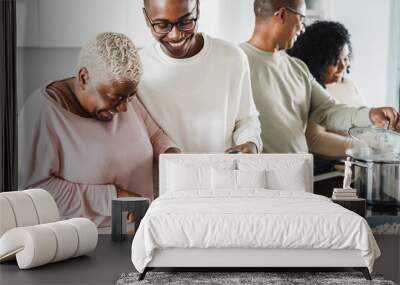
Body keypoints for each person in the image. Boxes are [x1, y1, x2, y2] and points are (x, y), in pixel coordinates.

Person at [18, 32, 179, 227]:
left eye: (130, 97)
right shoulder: (41, 113)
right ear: (84, 77)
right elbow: (37, 192)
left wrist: (175, 159)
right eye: (116, 98)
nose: (124, 108)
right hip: (88, 239)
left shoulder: (123, 93)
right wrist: (114, 197)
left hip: (142, 228)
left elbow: (155, 134)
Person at [240, 0, 400, 157]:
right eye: (301, 19)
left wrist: (371, 115)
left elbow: (329, 111)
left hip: (300, 175)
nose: (302, 29)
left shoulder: (298, 68)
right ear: (282, 15)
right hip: (257, 177)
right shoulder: (237, 63)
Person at [138, 0, 262, 154]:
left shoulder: (232, 57)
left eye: (186, 22)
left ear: (198, 9)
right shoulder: (137, 69)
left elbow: (246, 119)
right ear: (146, 18)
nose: (175, 35)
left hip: (221, 174)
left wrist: (250, 143)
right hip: (165, 177)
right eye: (162, 25)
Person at [288, 21, 365, 174]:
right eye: (335, 61)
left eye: (346, 58)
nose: (343, 66)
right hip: (330, 171)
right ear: (319, 60)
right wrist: (364, 148)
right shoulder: (310, 90)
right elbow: (315, 139)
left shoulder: (349, 85)